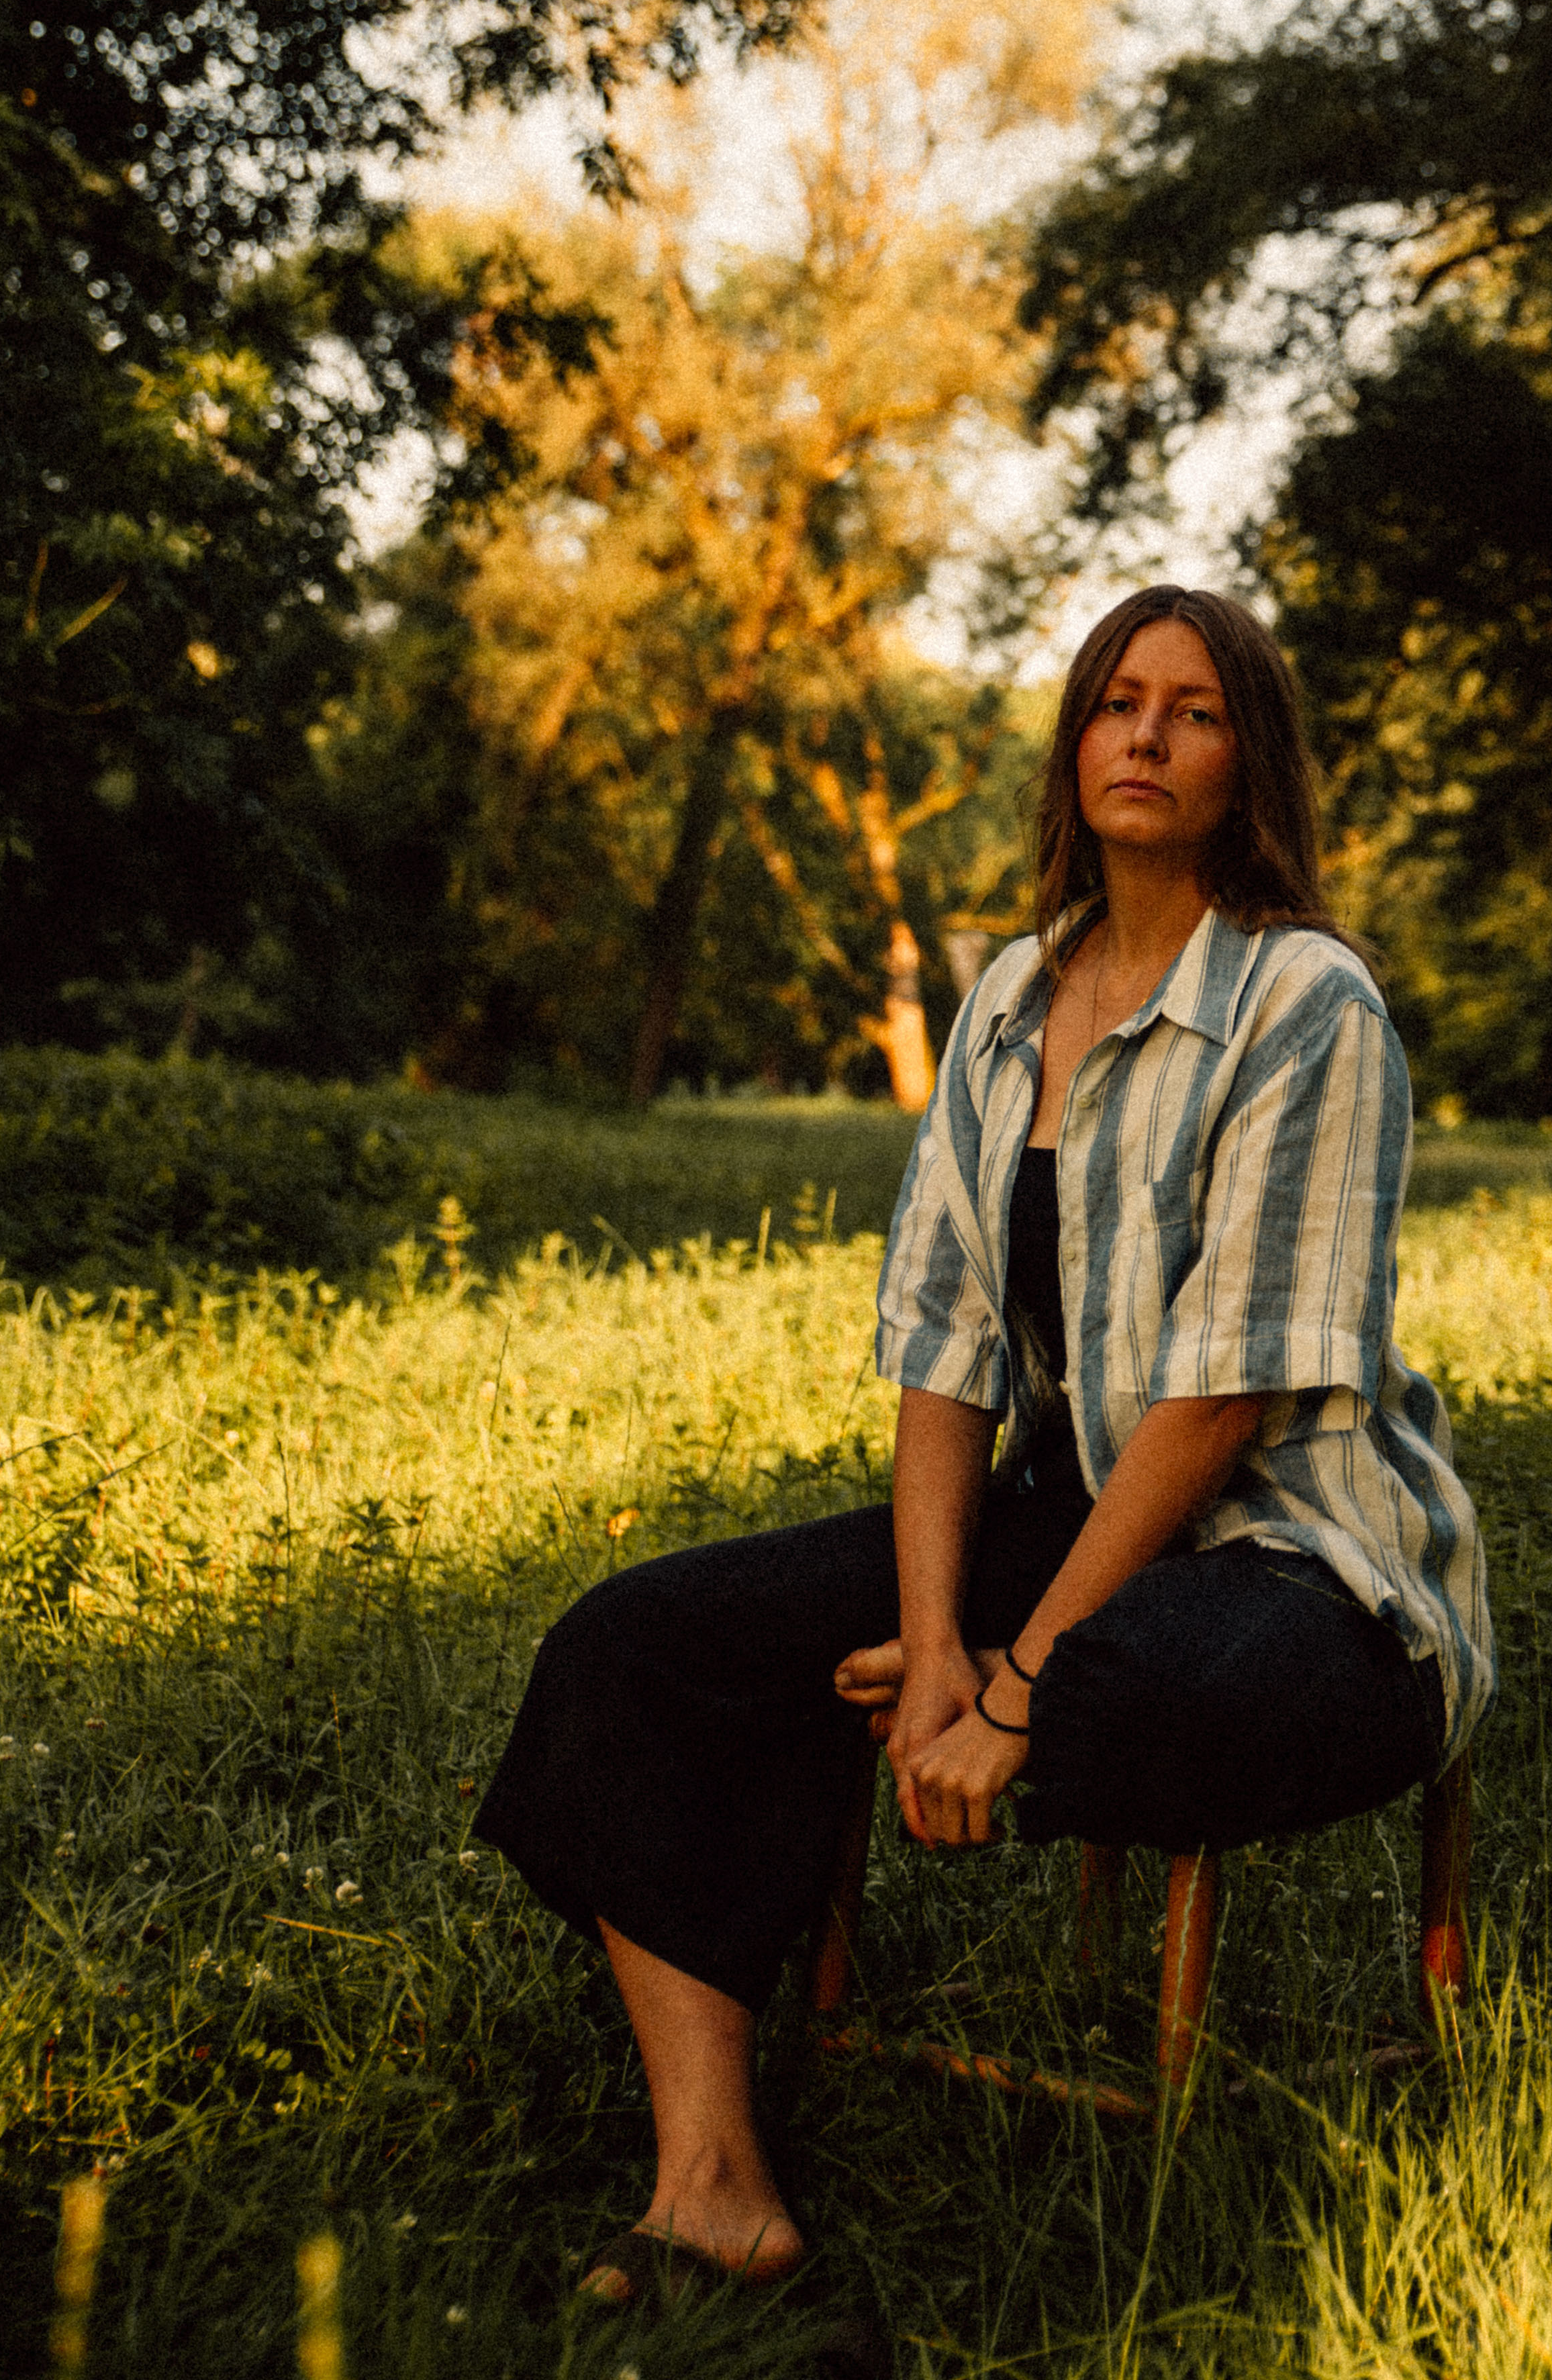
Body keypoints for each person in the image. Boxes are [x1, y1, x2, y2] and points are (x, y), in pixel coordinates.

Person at [476, 584, 1494, 2321]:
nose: (1145, 736)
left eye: (1193, 710)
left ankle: (991, 1708)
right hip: (1069, 1517)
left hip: (1309, 1567)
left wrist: (1019, 1684)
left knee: (1119, 1698)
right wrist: (944, 1637)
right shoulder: (1013, 997)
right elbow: (943, 1354)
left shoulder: (1308, 1002)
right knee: (631, 1651)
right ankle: (712, 2183)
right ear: (1074, 745)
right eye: (1114, 702)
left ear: (1250, 762)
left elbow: (1225, 1400)